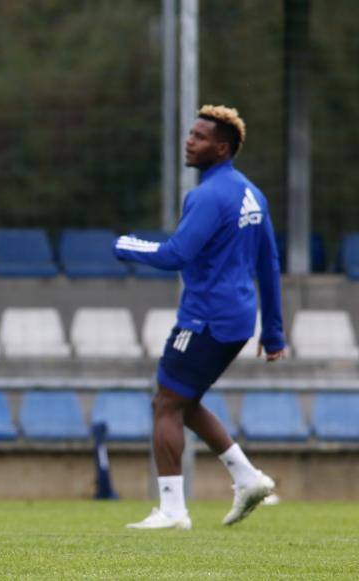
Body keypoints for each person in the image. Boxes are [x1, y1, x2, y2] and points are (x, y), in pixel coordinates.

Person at [112, 105, 285, 530]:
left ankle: (173, 510)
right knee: (183, 402)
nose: (190, 141)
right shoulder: (251, 193)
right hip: (238, 318)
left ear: (222, 148)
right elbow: (269, 262)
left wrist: (126, 246)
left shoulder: (209, 195)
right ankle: (247, 478)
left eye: (200, 137)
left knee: (165, 403)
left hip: (206, 318)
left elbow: (176, 254)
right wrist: (275, 330)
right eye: (191, 134)